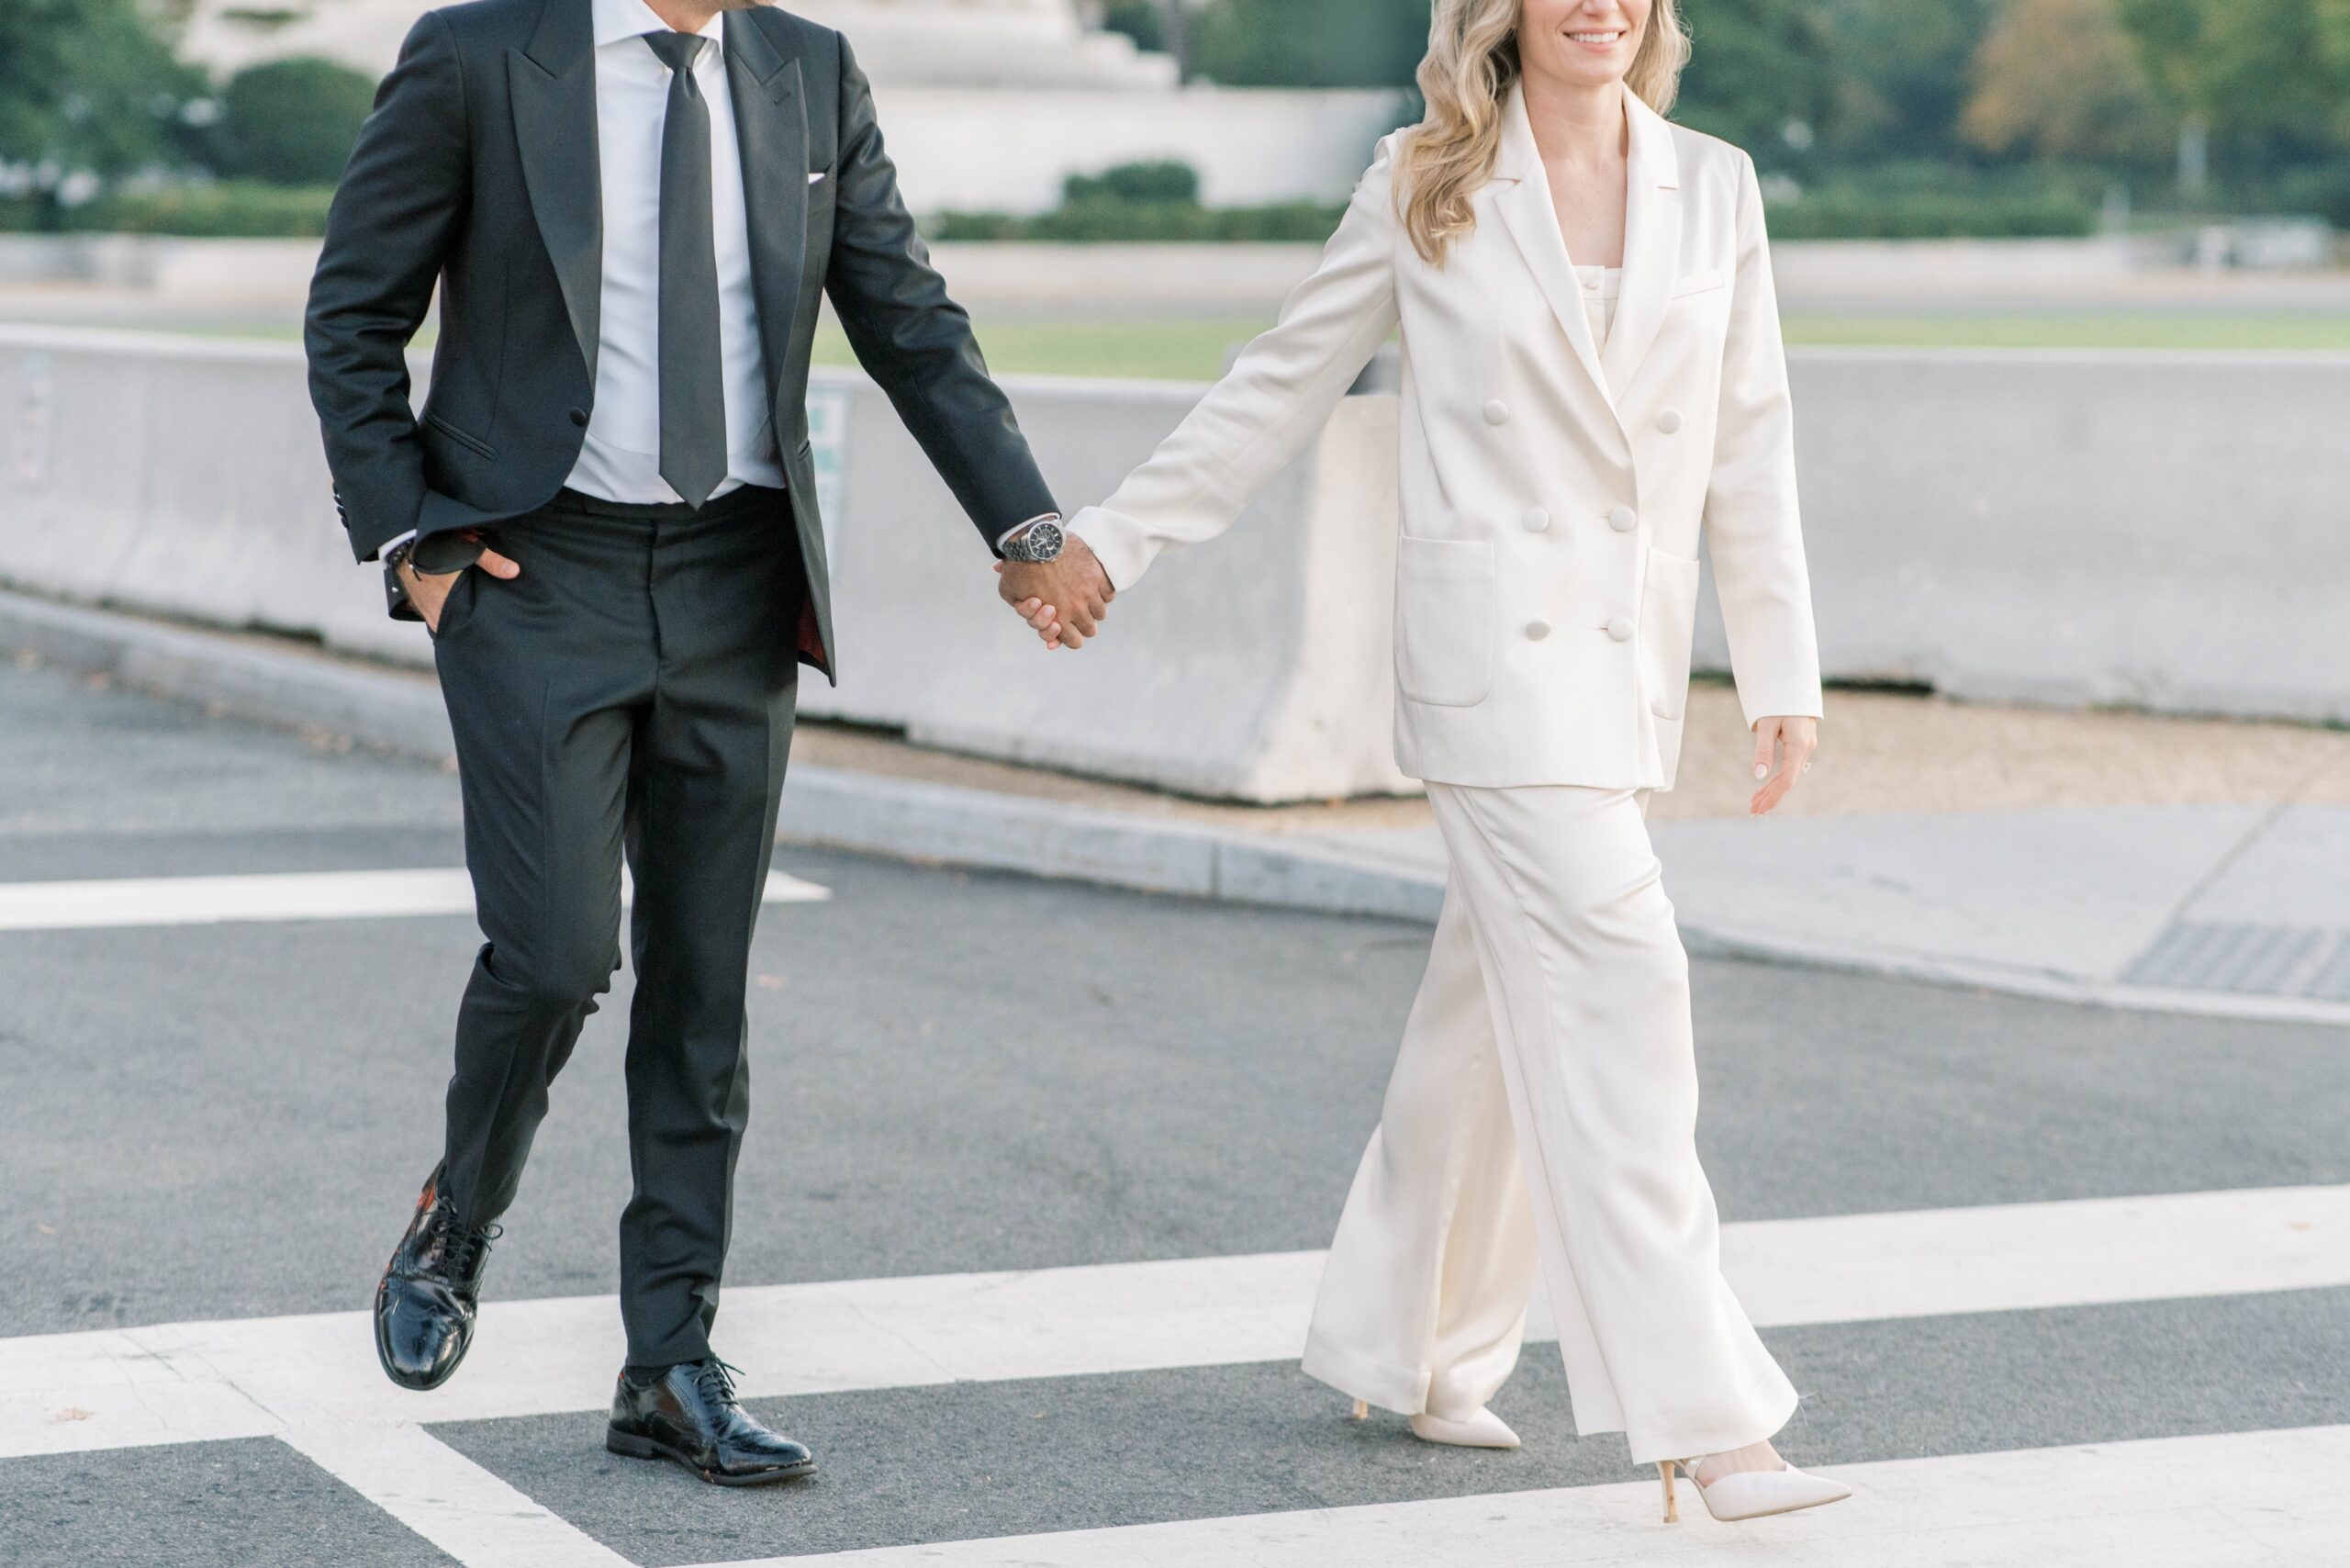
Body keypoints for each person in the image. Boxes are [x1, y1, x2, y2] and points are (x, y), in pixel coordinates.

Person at [1004, 0, 1849, 1525]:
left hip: (1622, 670)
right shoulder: (1425, 175)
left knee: (1490, 1008)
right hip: (1490, 672)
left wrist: (1779, 667)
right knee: (1623, 983)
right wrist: (1114, 540)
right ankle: (1706, 1421)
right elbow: (1282, 380)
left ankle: (1408, 1346)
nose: (1600, 3)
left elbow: (1750, 436)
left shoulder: (1714, 183)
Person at [306, 0, 1091, 1485]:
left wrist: (1026, 522)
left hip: (737, 577)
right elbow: (353, 308)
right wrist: (410, 534)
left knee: (704, 990)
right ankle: (458, 1214)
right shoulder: (480, 54)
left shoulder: (809, 68)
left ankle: (669, 1362)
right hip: (539, 571)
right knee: (552, 953)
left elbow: (906, 314)